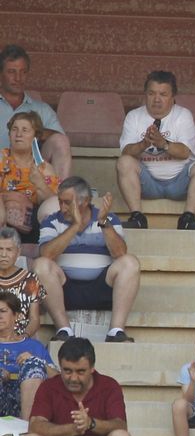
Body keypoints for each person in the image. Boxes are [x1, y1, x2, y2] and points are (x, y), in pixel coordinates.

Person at [35, 176, 140, 342]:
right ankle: (64, 330)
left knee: (130, 262)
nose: (62, 207)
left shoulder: (109, 218)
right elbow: (47, 254)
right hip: (64, 290)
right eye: (60, 202)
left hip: (102, 289)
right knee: (41, 265)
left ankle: (116, 331)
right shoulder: (52, 221)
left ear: (84, 202)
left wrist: (104, 223)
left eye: (67, 202)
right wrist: (75, 226)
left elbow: (120, 253)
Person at [116, 70, 195, 230]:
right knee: (124, 162)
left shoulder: (183, 115)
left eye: (163, 94)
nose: (157, 99)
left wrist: (164, 144)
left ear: (173, 97)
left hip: (179, 183)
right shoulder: (134, 116)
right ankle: (137, 218)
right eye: (151, 93)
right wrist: (143, 144)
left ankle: (187, 219)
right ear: (145, 95)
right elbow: (125, 152)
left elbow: (185, 153)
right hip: (147, 183)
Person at [0, 45, 69, 178]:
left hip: (33, 178)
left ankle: (61, 191)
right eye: (11, 72)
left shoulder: (42, 109)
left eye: (23, 72)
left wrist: (35, 132)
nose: (18, 78)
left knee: (61, 141)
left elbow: (60, 141)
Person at [0, 111, 58, 240]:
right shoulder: (1, 158)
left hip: (31, 222)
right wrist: (12, 198)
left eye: (25, 130)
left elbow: (54, 205)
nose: (18, 134)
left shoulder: (44, 168)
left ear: (35, 137)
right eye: (14, 129)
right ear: (9, 135)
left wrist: (40, 184)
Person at [0, 226, 63, 338]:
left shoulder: (30, 280)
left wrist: (23, 337)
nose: (3, 255)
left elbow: (34, 319)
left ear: (18, 252)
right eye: (0, 249)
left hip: (20, 338)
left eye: (9, 250)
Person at [0, 292, 50, 423]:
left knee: (34, 363)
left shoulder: (33, 346)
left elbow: (58, 377)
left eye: (3, 311)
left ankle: (27, 428)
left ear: (16, 315)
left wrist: (36, 361)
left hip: (25, 401)